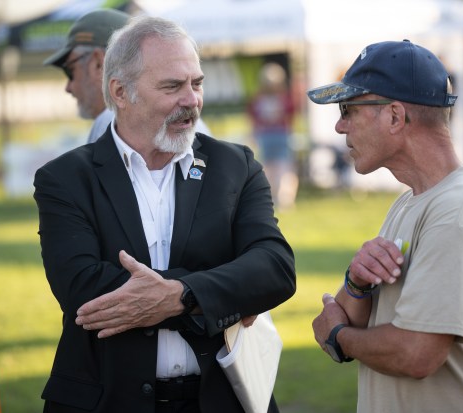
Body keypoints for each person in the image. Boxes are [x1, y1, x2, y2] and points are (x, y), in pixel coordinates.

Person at [34, 15, 295, 413]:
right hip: (107, 400)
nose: (191, 100)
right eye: (172, 86)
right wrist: (219, 292)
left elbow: (273, 269)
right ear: (121, 92)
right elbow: (83, 290)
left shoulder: (234, 165)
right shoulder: (67, 178)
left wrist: (180, 296)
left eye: (197, 83)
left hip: (220, 401)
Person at [309, 40, 463, 412]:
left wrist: (340, 337)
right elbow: (332, 321)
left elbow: (416, 354)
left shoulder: (459, 213)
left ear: (395, 116)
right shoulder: (414, 201)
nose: (339, 125)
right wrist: (356, 284)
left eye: (349, 108)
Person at [43, 9, 210, 143]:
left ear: (98, 64)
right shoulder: (188, 129)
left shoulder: (115, 125)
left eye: (70, 70)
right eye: (172, 85)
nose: (69, 87)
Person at [247, 62, 298, 210]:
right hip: (279, 134)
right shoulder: (284, 98)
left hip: (268, 135)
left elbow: (253, 118)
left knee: (272, 168)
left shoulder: (258, 99)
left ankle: (276, 198)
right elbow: (291, 115)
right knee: (282, 168)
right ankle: (283, 199)